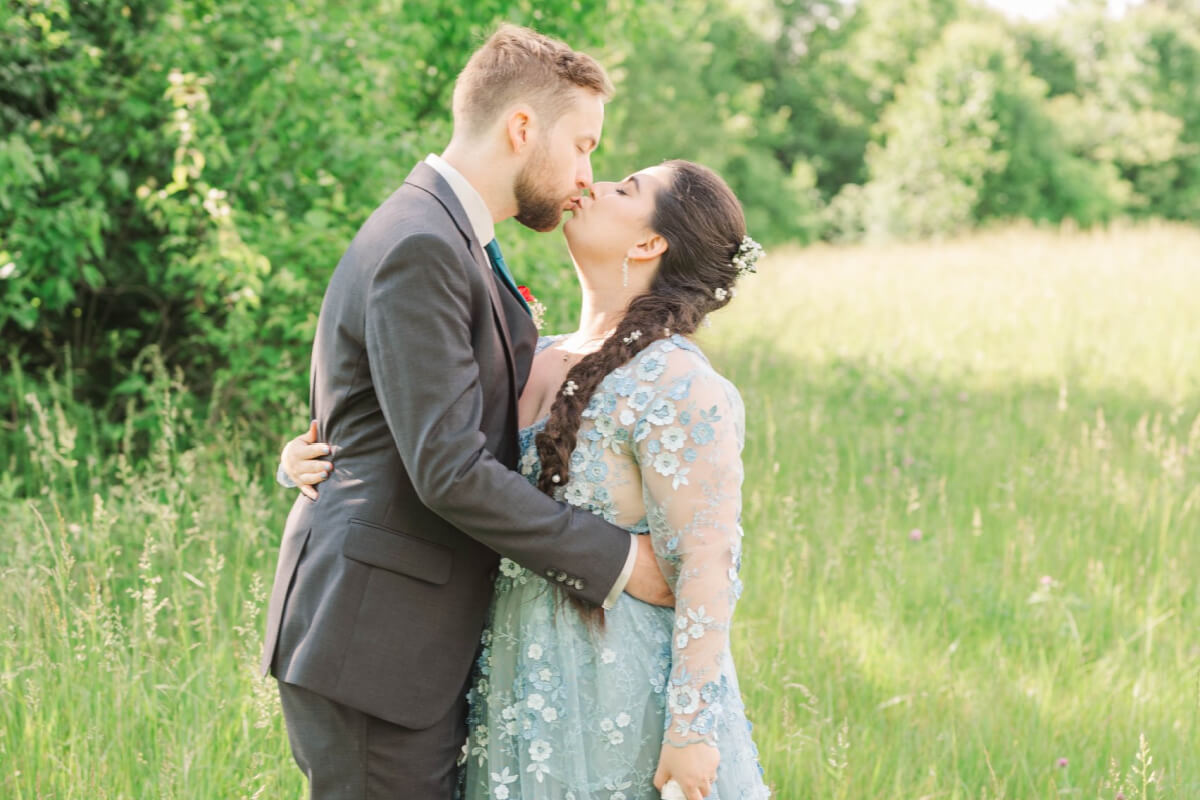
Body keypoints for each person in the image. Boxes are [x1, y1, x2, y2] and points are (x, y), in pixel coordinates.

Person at [261, 25, 673, 800]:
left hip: (403, 640)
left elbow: (389, 405)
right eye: (583, 144)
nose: (588, 173)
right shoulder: (425, 242)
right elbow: (447, 468)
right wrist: (620, 562)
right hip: (375, 649)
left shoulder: (453, 237)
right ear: (523, 128)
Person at [282, 161, 771, 800]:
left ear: (650, 243)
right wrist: (322, 453)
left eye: (626, 189)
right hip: (510, 680)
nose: (593, 184)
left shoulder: (679, 383)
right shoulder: (534, 354)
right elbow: (445, 457)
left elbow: (708, 568)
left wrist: (692, 729)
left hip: (617, 691)